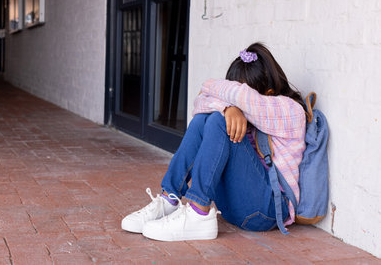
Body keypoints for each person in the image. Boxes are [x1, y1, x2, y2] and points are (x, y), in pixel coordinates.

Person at [121, 42, 307, 241]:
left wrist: (222, 101)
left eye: (236, 97)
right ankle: (169, 198)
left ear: (268, 93)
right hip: (232, 207)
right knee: (205, 118)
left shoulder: (291, 110)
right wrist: (228, 107)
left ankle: (198, 214)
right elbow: (200, 102)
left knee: (218, 120)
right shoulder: (242, 105)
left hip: (267, 211)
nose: (235, 101)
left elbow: (231, 95)